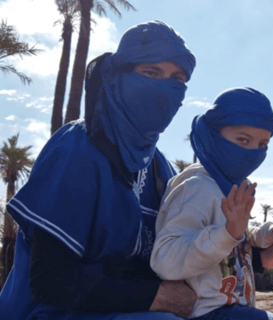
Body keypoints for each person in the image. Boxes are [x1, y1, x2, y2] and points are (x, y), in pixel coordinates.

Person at [0, 20, 198, 320]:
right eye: (150, 73)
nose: (164, 89)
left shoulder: (161, 168)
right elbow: (51, 282)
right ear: (117, 77)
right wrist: (153, 296)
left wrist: (260, 257)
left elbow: (181, 251)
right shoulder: (76, 148)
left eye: (177, 79)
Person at [150, 88, 273, 320]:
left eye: (262, 145)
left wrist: (268, 234)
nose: (252, 153)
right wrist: (228, 233)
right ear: (214, 134)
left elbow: (237, 235)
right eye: (242, 140)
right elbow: (166, 261)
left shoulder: (228, 185)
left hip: (236, 311)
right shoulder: (195, 187)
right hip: (209, 313)